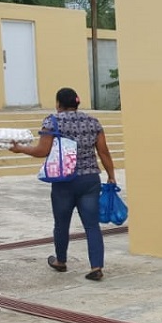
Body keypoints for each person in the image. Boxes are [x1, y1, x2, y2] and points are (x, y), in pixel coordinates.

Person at [9, 87, 117, 281]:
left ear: (58, 104)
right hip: (90, 179)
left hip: (64, 180)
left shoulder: (53, 121)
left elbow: (42, 150)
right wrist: (111, 175)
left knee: (61, 223)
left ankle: (61, 261)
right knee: (92, 225)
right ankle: (96, 266)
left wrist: (20, 149)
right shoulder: (93, 122)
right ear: (77, 103)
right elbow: (103, 151)